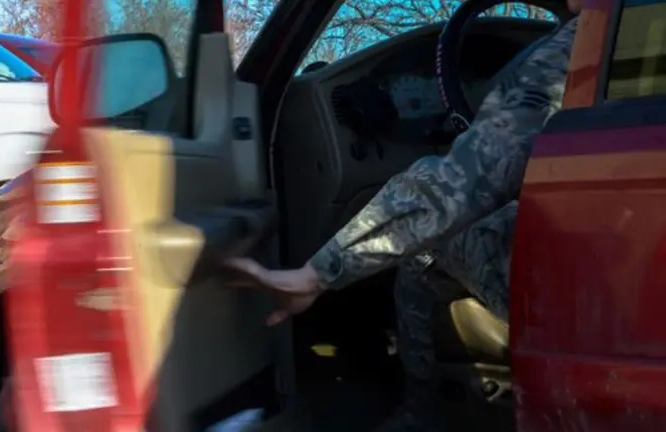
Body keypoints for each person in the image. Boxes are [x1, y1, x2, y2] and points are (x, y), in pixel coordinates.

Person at [228, 2, 581, 430]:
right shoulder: (634, 32)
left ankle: (422, 413)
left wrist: (316, 273)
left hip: (594, 284)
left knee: (424, 242)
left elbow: (460, 182)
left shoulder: (582, 43)